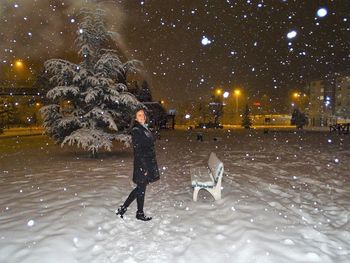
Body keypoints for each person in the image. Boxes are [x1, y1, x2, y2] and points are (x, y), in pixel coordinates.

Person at [116, 108, 160, 221]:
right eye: (139, 115)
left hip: (146, 162)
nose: (142, 117)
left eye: (143, 115)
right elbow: (138, 150)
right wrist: (144, 167)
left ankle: (132, 210)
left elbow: (150, 142)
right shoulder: (137, 130)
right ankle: (128, 209)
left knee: (140, 188)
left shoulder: (144, 128)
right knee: (140, 188)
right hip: (142, 163)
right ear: (135, 118)